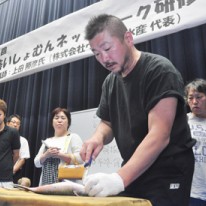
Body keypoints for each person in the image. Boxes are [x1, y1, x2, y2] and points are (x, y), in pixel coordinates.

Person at [79, 14, 196, 206]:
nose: (104, 59)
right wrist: (97, 137)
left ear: (128, 38)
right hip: (135, 167)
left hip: (167, 170)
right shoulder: (110, 82)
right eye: (97, 53)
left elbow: (159, 136)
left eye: (107, 48)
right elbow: (107, 123)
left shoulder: (159, 70)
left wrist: (119, 178)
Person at [185, 79, 206, 205]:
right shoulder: (182, 122)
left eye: (199, 97)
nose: (194, 102)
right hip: (193, 191)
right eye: (190, 98)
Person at [34, 107, 84, 185]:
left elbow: (81, 159)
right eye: (56, 118)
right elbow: (36, 163)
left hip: (67, 185)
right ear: (52, 122)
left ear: (68, 122)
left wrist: (60, 155)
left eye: (63, 118)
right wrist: (46, 155)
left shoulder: (73, 137)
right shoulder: (47, 141)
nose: (59, 121)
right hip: (45, 185)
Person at [6, 114, 30, 184]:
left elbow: (22, 159)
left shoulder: (23, 140)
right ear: (7, 123)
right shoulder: (1, 138)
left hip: (14, 173)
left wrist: (12, 171)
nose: (15, 125)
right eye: (13, 122)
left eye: (18, 123)